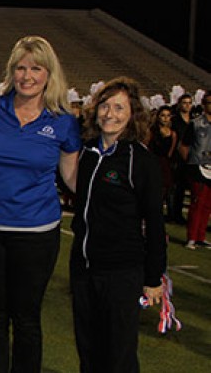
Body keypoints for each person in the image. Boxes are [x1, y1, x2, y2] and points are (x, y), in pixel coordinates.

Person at [0, 35, 80, 373]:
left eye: (35, 68)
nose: (27, 75)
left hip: (36, 233)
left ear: (50, 73)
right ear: (11, 71)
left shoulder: (62, 120)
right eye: (20, 67)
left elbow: (74, 180)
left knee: (27, 318)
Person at [70, 77, 167, 372]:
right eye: (105, 106)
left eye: (119, 108)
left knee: (119, 355)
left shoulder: (141, 160)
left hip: (122, 272)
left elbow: (154, 221)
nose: (110, 114)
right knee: (88, 351)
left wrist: (153, 278)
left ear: (132, 115)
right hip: (84, 270)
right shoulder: (86, 152)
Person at [179, 92, 211, 249]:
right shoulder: (196, 123)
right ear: (204, 104)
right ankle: (191, 237)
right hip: (198, 166)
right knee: (197, 203)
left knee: (207, 205)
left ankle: (201, 236)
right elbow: (184, 146)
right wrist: (190, 164)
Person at [147, 105, 177, 221]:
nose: (165, 118)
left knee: (166, 190)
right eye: (163, 115)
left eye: (168, 116)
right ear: (158, 117)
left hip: (165, 164)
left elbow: (170, 152)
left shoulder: (173, 134)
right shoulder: (152, 132)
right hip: (153, 162)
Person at [169, 93, 193, 224]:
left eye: (189, 103)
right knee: (176, 187)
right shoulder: (175, 121)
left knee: (185, 186)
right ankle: (174, 213)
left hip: (191, 157)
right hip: (178, 157)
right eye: (184, 102)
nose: (187, 105)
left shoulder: (194, 120)